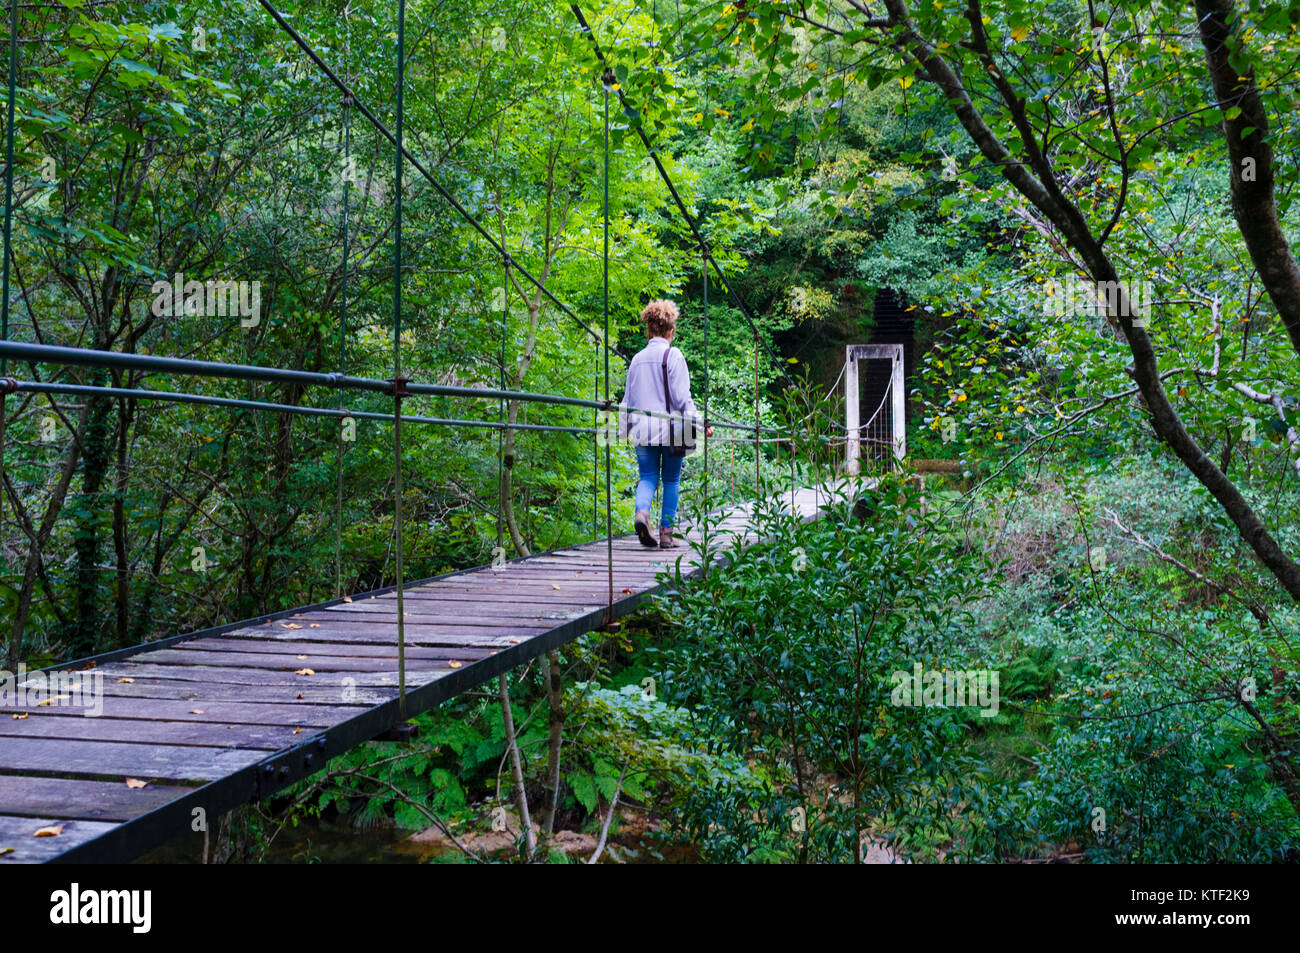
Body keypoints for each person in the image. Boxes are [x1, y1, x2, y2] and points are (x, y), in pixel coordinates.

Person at [621, 299, 713, 548]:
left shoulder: (637, 359)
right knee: (671, 480)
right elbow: (684, 399)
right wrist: (701, 424)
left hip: (642, 431)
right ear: (671, 331)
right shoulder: (674, 355)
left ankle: (642, 513)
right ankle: (666, 535)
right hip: (673, 431)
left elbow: (627, 401)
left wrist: (622, 431)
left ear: (649, 330)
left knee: (648, 477)